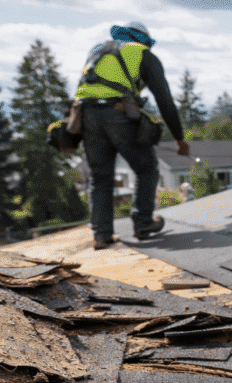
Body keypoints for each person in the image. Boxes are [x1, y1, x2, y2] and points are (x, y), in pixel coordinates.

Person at [75, 21, 190, 250]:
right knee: (146, 168)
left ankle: (102, 234)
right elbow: (165, 101)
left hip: (84, 115)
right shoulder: (143, 54)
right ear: (144, 40)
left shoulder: (97, 51)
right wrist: (179, 138)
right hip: (118, 114)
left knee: (100, 177)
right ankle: (144, 223)